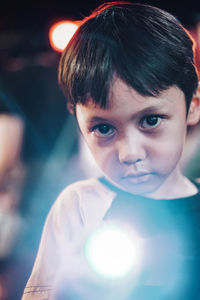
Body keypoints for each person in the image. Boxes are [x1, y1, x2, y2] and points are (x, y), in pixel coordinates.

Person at [22, 2, 200, 299]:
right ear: (78, 122)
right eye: (104, 128)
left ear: (192, 106)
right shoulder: (80, 206)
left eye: (150, 120)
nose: (129, 153)